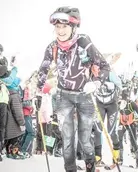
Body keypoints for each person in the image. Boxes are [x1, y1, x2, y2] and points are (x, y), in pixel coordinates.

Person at [37, 7, 110, 172]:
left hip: (85, 96)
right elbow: (43, 69)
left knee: (84, 138)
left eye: (64, 26)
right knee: (68, 138)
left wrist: (96, 82)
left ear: (73, 27)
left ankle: (90, 166)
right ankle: (70, 169)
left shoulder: (84, 43)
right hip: (64, 97)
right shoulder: (52, 47)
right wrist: (39, 91)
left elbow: (105, 67)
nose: (60, 31)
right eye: (57, 27)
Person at [93, 70, 122, 165]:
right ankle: (97, 157)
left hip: (112, 105)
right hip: (99, 104)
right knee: (97, 130)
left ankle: (116, 155)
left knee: (112, 131)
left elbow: (120, 86)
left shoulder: (110, 74)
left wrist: (121, 98)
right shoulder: (91, 73)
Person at [117, 88, 138, 168]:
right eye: (123, 97)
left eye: (126, 97)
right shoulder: (119, 103)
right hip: (122, 123)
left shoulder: (132, 104)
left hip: (131, 123)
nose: (124, 99)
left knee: (133, 142)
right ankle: (120, 159)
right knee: (119, 139)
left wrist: (137, 124)